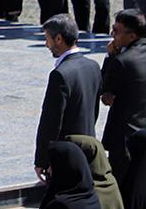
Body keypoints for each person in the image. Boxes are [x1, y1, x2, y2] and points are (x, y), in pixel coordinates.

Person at [99, 11, 146, 158]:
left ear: (132, 36)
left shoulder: (121, 61)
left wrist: (110, 56)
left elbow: (104, 92)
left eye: (116, 31)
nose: (112, 35)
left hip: (124, 138)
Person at [37, 14, 100, 152]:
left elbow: (51, 122)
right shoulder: (93, 66)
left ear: (58, 39)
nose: (46, 44)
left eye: (47, 38)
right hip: (88, 146)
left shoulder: (60, 74)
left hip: (67, 152)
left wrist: (43, 157)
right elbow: (93, 112)